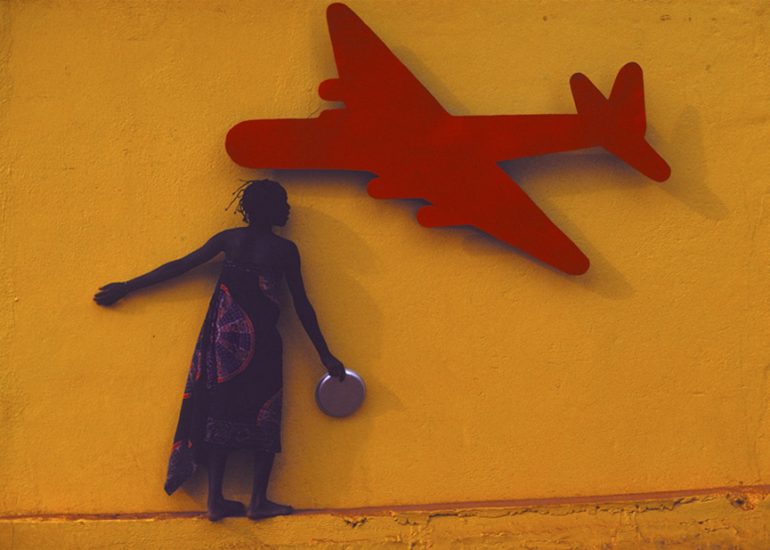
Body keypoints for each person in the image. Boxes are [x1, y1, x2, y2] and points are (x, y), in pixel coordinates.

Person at [94, 179, 345, 521]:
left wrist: (128, 287)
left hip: (223, 344)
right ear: (270, 209)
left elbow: (179, 266)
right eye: (283, 203)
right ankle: (258, 501)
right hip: (265, 347)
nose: (287, 209)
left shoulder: (231, 240)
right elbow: (302, 305)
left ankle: (215, 501)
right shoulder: (285, 251)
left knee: (219, 416)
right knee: (265, 414)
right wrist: (325, 355)